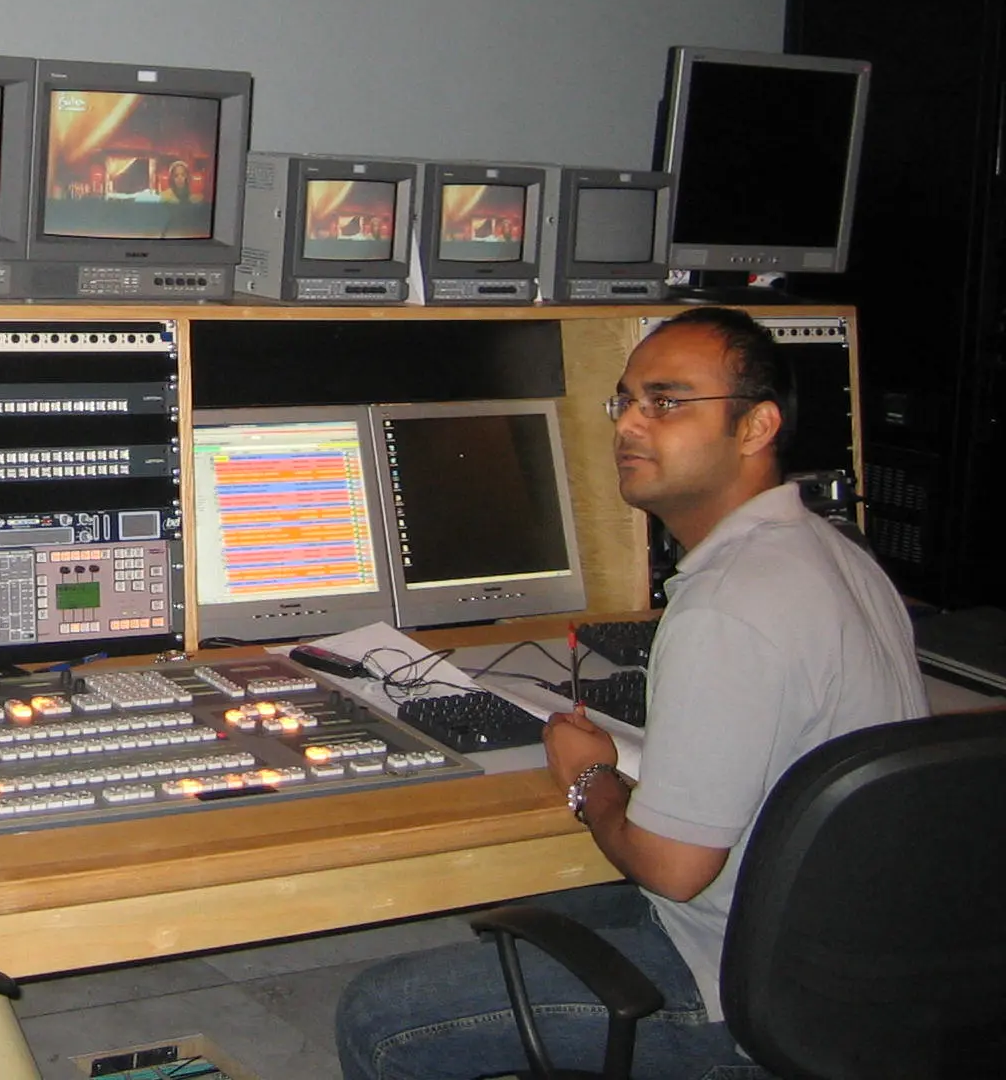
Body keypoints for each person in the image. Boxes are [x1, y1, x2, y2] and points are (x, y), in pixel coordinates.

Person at [336, 306, 926, 1080]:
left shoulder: (726, 607)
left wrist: (590, 779)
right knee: (517, 912)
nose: (629, 424)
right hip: (850, 963)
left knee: (379, 1014)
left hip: (745, 994)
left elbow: (673, 869)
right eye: (626, 400)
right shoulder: (833, 551)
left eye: (667, 401)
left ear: (756, 427)